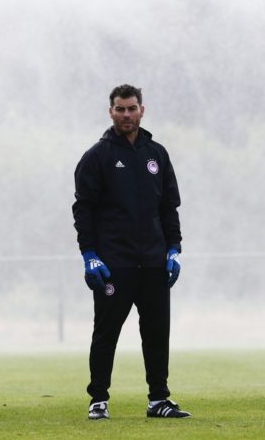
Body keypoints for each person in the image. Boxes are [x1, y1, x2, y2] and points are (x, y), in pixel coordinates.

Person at [72, 84, 190, 420]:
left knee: (157, 334)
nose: (127, 115)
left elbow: (169, 208)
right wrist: (89, 254)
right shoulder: (97, 156)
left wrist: (174, 249)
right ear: (111, 112)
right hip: (114, 263)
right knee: (106, 333)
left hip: (153, 262)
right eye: (120, 109)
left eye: (132, 108)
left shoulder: (157, 154)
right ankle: (98, 400)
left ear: (142, 110)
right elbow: (83, 210)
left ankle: (159, 400)